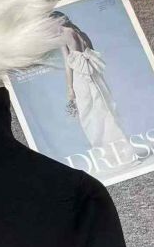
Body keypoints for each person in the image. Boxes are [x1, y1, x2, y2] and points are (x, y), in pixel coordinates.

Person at [51, 10, 133, 159]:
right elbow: (92, 53)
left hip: (81, 78)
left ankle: (109, 153)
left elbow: (68, 65)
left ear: (58, 21)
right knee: (105, 109)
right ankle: (122, 150)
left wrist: (70, 88)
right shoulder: (81, 33)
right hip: (95, 75)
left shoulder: (64, 36)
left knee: (89, 114)